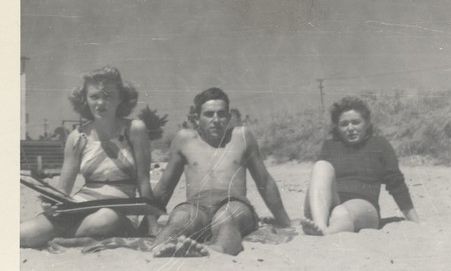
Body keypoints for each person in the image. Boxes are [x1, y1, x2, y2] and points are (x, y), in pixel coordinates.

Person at [21, 66, 158, 248]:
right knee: (24, 234)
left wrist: (153, 228)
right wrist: (51, 204)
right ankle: (70, 238)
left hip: (119, 210)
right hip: (80, 205)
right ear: (85, 100)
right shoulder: (77, 137)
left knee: (102, 220)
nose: (101, 103)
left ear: (121, 99)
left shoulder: (134, 129)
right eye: (94, 96)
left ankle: (59, 239)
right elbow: (63, 189)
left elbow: (143, 180)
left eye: (108, 96)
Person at [151, 87, 291, 257]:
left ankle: (216, 252)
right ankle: (161, 248)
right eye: (209, 114)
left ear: (229, 117)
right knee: (180, 218)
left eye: (221, 114)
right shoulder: (184, 139)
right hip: (196, 204)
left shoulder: (241, 136)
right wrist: (149, 222)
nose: (216, 120)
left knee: (225, 218)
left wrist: (284, 220)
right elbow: (165, 186)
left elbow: (264, 181)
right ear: (197, 118)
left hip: (233, 202)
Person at [302, 96, 419, 236]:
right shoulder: (330, 146)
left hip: (363, 206)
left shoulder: (380, 145)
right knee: (321, 166)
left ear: (367, 123)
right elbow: (321, 182)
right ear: (337, 127)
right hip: (329, 205)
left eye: (356, 122)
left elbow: (396, 184)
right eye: (344, 124)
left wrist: (414, 221)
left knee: (342, 212)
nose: (350, 128)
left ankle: (326, 233)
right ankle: (320, 226)